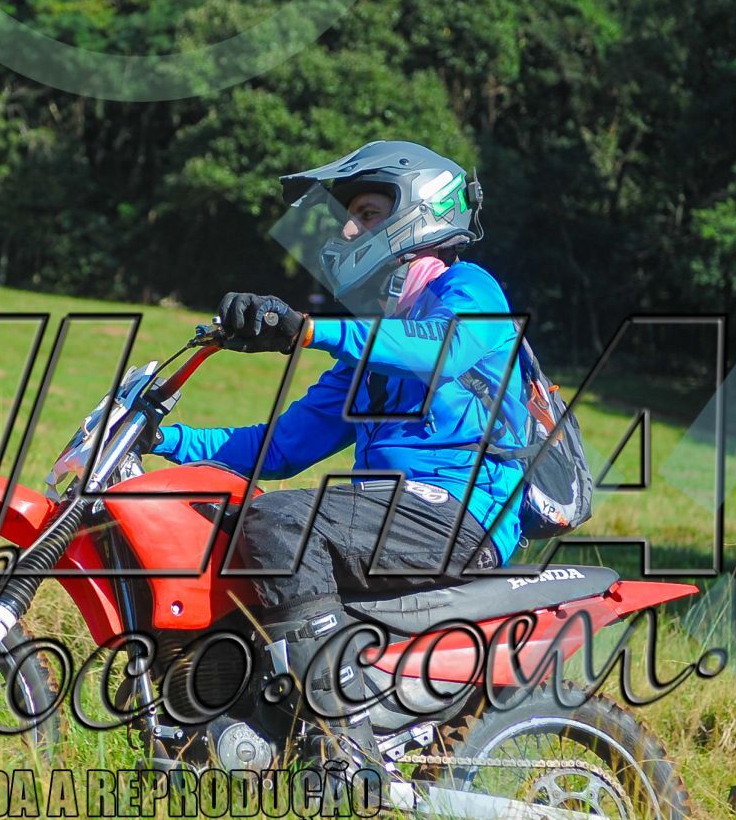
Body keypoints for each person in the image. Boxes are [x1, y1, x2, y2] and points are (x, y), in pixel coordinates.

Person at [149, 140, 531, 771]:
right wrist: (163, 439)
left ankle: (342, 746)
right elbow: (279, 448)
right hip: (399, 515)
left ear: (421, 211)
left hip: (463, 513)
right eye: (349, 216)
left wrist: (306, 330)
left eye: (369, 213)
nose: (349, 230)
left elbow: (439, 351)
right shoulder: (370, 351)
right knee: (221, 524)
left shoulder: (470, 290)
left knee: (282, 523)